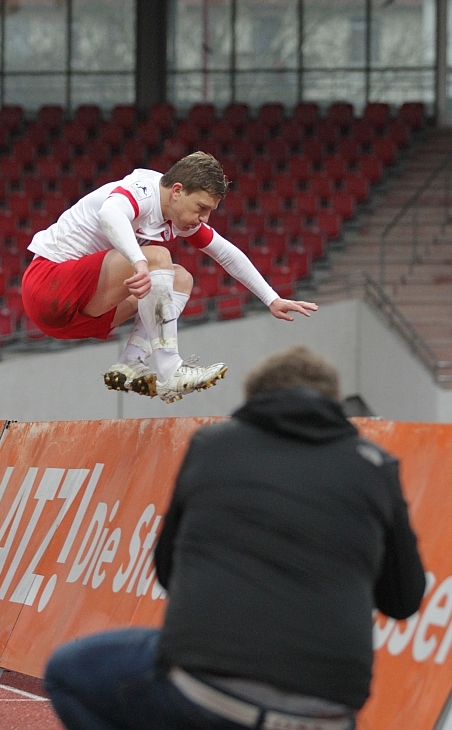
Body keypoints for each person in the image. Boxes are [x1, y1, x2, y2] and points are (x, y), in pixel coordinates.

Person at [44, 345, 426, 730]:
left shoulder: (212, 446)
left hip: (209, 694)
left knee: (67, 672)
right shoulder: (377, 466)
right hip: (326, 715)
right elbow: (404, 600)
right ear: (333, 400)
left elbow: (167, 571)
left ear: (253, 397)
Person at [22, 152, 318, 403]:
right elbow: (110, 213)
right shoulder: (143, 190)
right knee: (158, 257)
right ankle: (170, 368)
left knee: (181, 278)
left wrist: (271, 299)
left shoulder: (177, 215)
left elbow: (227, 253)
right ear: (177, 190)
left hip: (77, 318)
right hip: (48, 287)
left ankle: (131, 362)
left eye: (210, 211)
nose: (204, 218)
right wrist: (139, 260)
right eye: (201, 208)